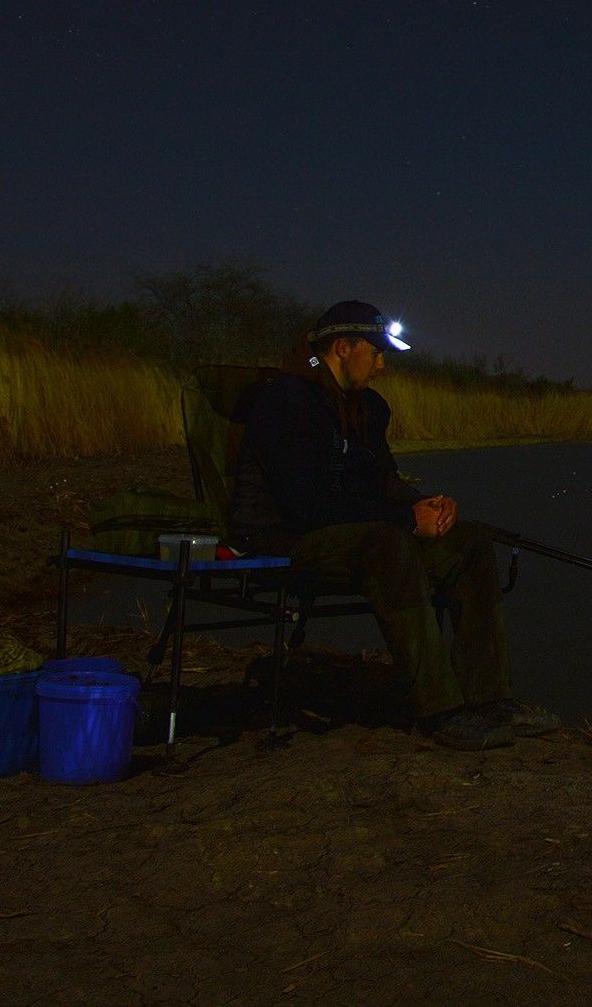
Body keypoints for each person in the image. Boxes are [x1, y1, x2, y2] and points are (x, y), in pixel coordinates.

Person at [226, 299, 558, 750]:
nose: (382, 365)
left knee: (471, 542)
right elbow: (307, 504)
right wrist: (405, 521)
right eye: (376, 353)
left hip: (355, 532)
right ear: (343, 347)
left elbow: (381, 480)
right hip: (288, 537)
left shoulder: (366, 408)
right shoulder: (286, 401)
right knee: (389, 544)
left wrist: (427, 505)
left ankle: (489, 699)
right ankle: (439, 711)